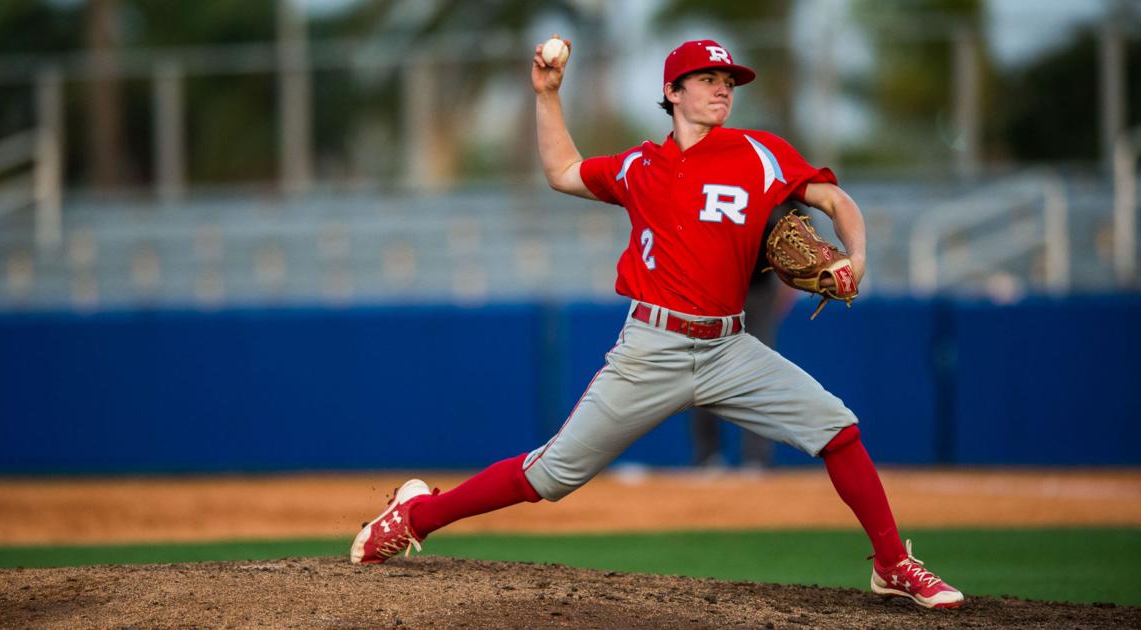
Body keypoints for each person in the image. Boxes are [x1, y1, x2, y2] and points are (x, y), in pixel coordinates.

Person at [351, 37, 964, 610]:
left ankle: (891, 563)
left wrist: (855, 255)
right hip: (653, 347)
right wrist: (547, 95)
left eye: (728, 80)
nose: (722, 88)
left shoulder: (761, 153)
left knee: (838, 428)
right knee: (550, 475)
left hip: (730, 347)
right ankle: (414, 517)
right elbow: (563, 171)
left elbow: (835, 200)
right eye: (707, 79)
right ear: (673, 91)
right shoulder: (640, 167)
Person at [688, 203, 795, 471]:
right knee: (705, 369)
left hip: (760, 290)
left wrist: (787, 285)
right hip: (715, 290)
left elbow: (797, 236)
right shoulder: (711, 175)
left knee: (760, 373)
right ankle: (708, 457)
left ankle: (756, 459)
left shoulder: (778, 177)